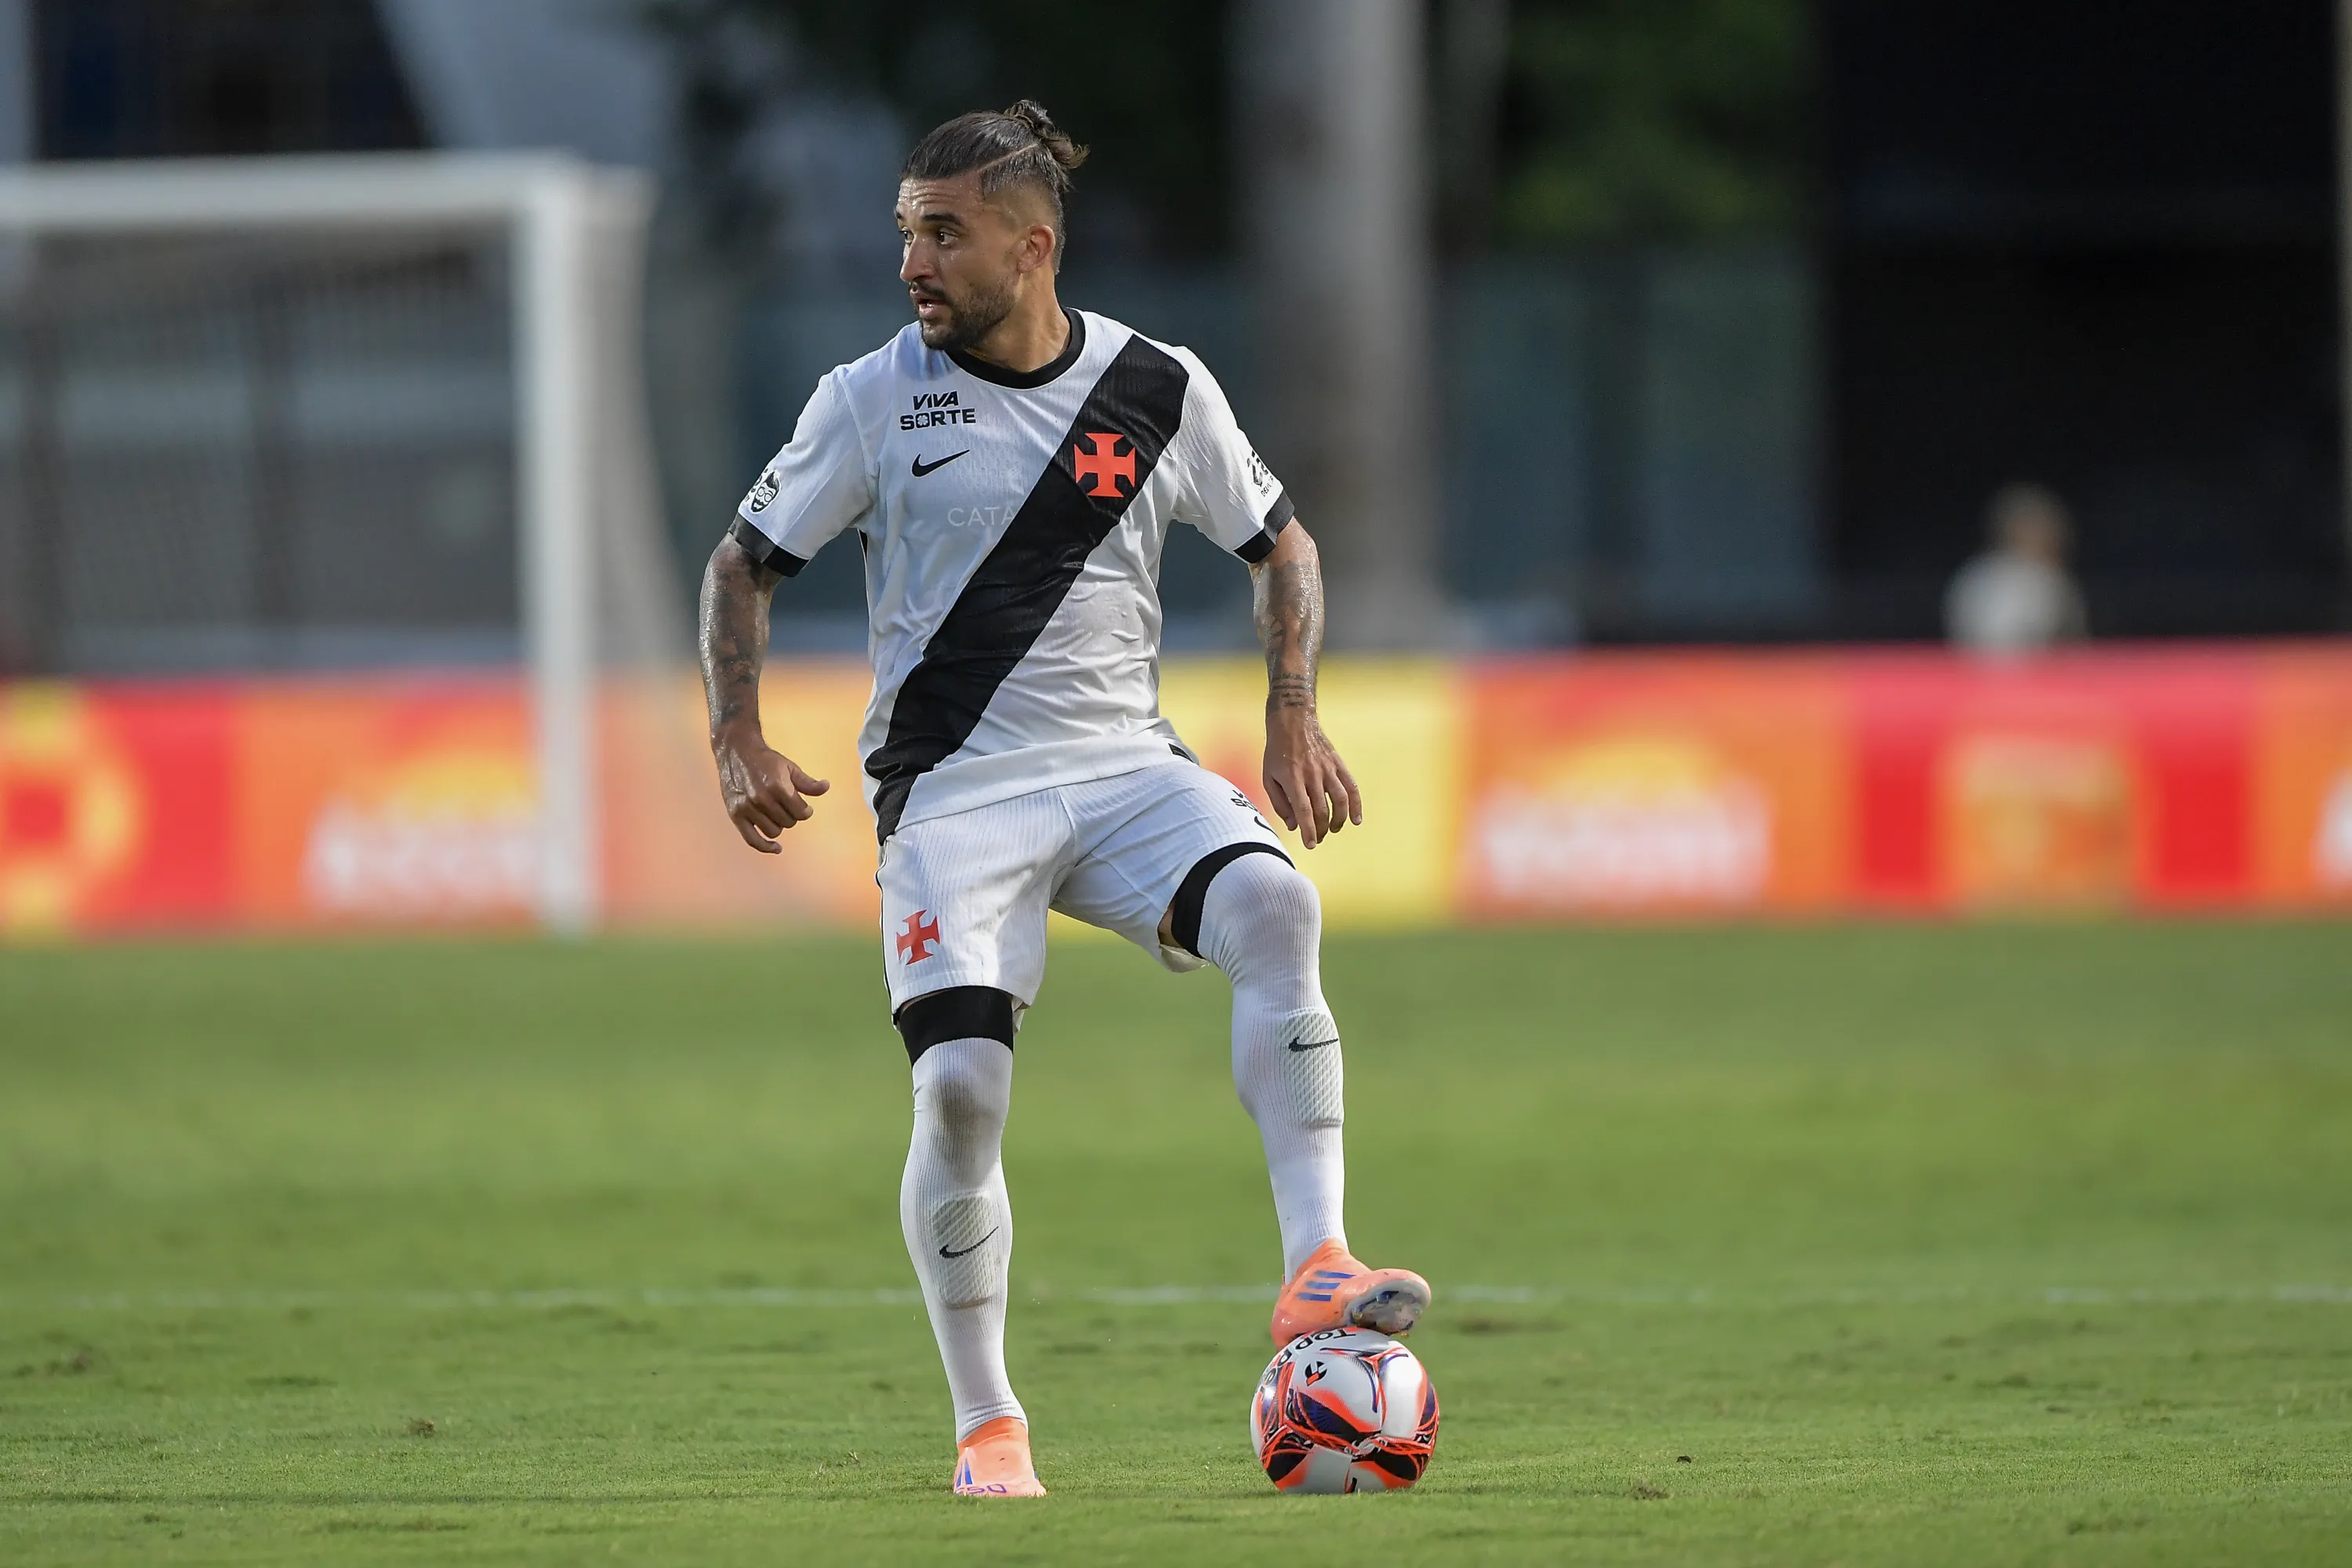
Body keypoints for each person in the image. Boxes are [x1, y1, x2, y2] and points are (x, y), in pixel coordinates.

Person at [695, 100, 1430, 1499]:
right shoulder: (869, 398)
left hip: (1118, 769)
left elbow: (1284, 545)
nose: (914, 259)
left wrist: (1291, 711)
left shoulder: (1157, 388)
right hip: (953, 796)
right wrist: (736, 732)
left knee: (1277, 900)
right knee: (962, 1091)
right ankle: (990, 1424)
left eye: (945, 233)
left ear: (1032, 247)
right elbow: (745, 561)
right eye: (907, 229)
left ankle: (1316, 1267)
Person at [1944, 481, 2090, 655]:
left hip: (2046, 678)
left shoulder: (2054, 580)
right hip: (1991, 677)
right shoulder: (1979, 578)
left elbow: (2076, 652)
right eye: (2037, 527)